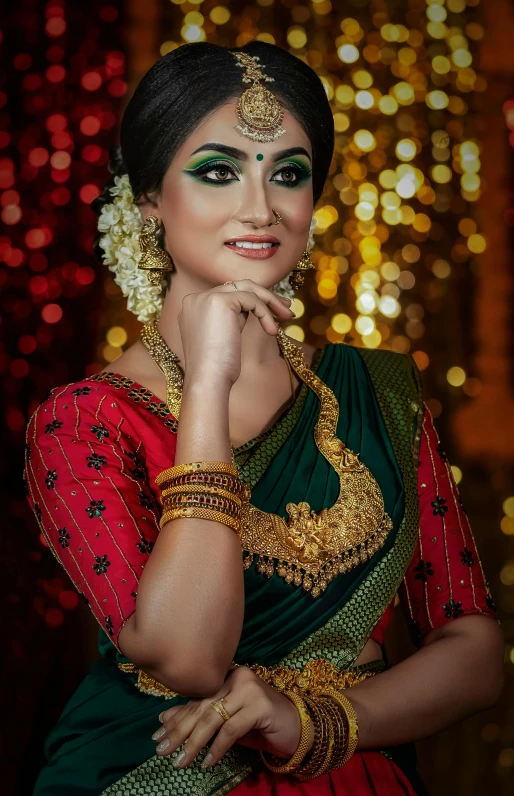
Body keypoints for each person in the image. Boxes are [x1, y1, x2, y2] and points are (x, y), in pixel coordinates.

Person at [24, 41, 503, 796]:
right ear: (149, 194)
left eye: (288, 173)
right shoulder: (84, 424)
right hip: (151, 778)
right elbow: (188, 658)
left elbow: (474, 650)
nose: (260, 208)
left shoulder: (377, 392)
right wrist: (209, 383)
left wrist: (318, 724)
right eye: (217, 172)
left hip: (350, 774)